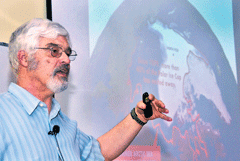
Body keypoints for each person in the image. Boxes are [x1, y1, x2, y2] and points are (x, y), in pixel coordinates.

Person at [0, 18, 172, 161]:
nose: (66, 60)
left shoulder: (64, 124)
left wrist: (138, 117)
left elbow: (97, 152)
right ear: (24, 58)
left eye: (67, 53)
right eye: (54, 51)